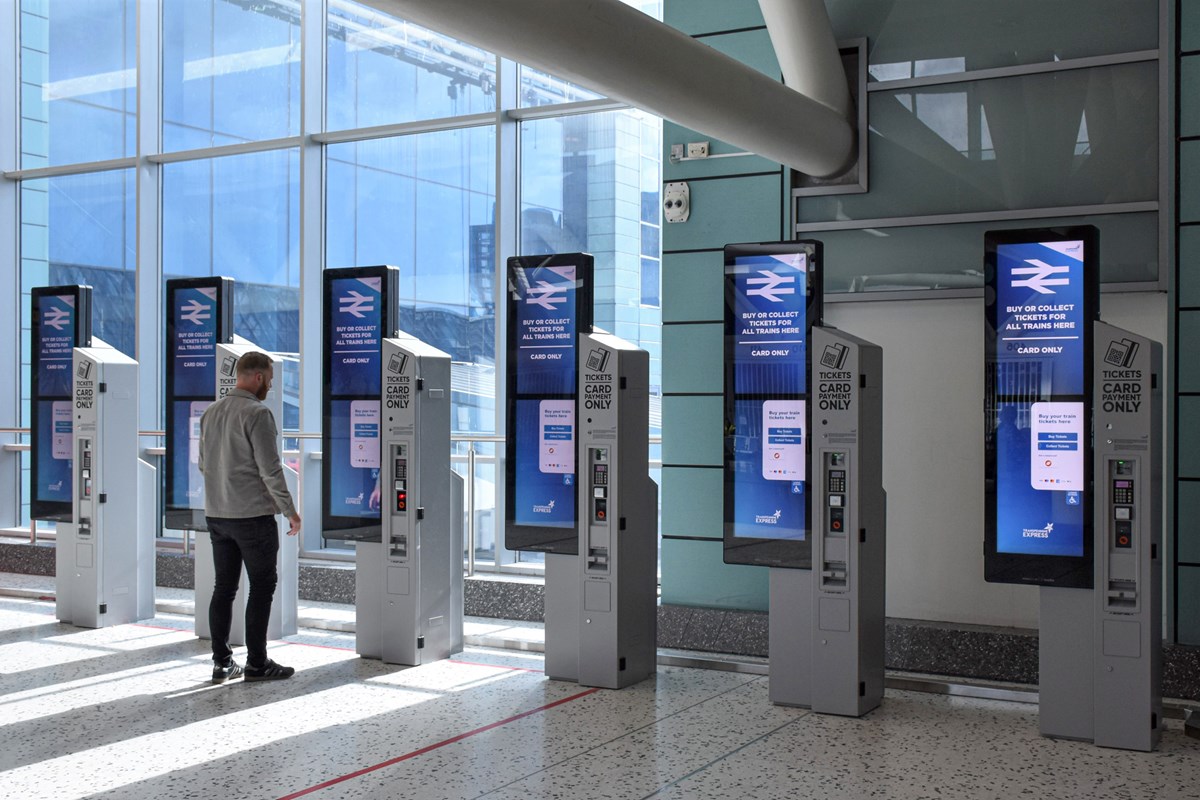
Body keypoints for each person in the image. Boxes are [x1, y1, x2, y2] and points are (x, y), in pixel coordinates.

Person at [199, 351, 301, 683]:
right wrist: (290, 511)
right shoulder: (258, 413)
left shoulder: (211, 412)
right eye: (270, 379)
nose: (271, 385)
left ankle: (222, 662)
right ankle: (257, 663)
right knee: (261, 586)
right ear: (257, 377)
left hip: (216, 514)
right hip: (253, 517)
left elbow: (203, 463)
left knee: (223, 588)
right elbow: (270, 470)